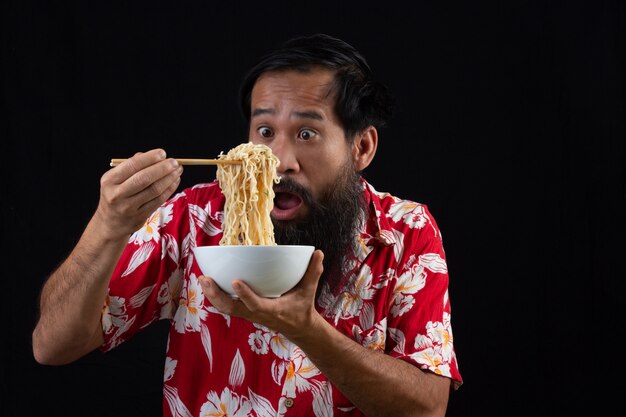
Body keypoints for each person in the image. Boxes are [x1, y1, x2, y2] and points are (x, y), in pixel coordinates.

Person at [32, 33, 462, 417]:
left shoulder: (405, 232)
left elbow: (426, 407)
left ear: (361, 147)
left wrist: (306, 331)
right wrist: (107, 227)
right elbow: (53, 345)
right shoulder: (194, 219)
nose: (278, 162)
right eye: (265, 131)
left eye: (307, 133)